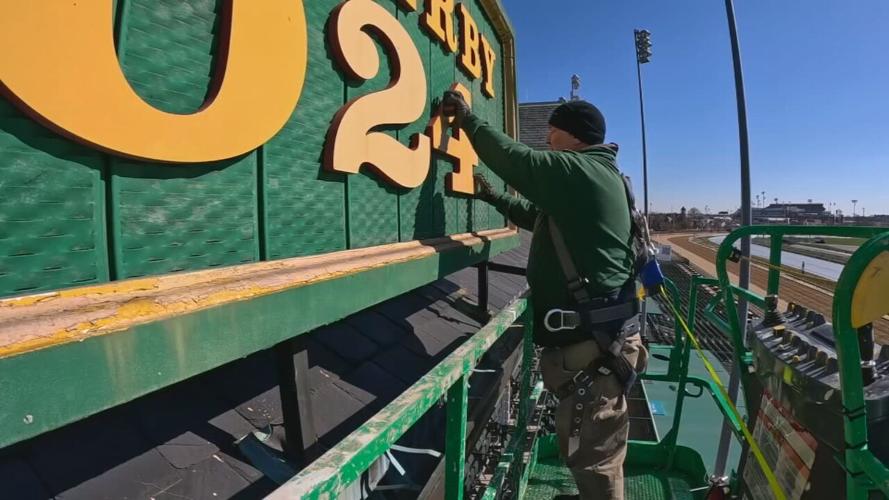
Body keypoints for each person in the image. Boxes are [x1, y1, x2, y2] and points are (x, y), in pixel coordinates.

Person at [442, 91, 649, 500]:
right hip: (604, 339)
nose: (548, 138)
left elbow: (518, 162)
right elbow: (540, 219)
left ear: (573, 136)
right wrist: (491, 197)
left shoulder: (578, 170)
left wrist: (468, 121)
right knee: (595, 449)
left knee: (597, 457)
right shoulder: (602, 178)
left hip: (595, 347)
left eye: (553, 131)